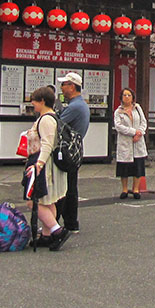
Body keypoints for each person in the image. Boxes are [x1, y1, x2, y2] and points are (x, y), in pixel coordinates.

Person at [25, 85, 71, 250]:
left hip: (44, 164)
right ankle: (46, 234)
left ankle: (57, 231)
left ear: (42, 101)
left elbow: (47, 144)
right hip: (49, 164)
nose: (33, 104)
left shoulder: (46, 119)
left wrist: (39, 164)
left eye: (35, 101)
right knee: (48, 199)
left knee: (33, 201)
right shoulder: (53, 117)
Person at [56, 72, 89, 232]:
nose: (62, 87)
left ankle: (65, 222)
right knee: (71, 186)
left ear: (72, 86)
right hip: (74, 150)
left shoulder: (75, 106)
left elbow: (58, 124)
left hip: (67, 151)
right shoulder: (80, 105)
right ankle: (70, 222)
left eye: (64, 84)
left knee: (65, 188)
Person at [113, 87, 147, 199]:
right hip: (125, 141)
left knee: (138, 166)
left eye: (129, 95)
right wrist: (133, 132)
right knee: (124, 167)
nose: (127, 97)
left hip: (138, 141)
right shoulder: (118, 112)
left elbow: (143, 122)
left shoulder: (137, 108)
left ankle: (136, 189)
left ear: (132, 97)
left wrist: (140, 132)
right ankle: (124, 189)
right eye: (124, 95)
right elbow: (118, 126)